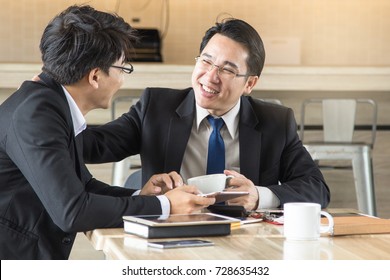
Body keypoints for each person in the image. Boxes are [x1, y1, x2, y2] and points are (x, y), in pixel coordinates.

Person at [0, 5, 215, 260]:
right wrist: (166, 206)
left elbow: (83, 187)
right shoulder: (37, 115)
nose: (122, 80)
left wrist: (141, 196)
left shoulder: (48, 104)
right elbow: (73, 211)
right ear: (94, 77)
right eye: (122, 69)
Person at [83, 18, 330, 211]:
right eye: (206, 61)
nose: (211, 76)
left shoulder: (275, 122)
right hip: (171, 236)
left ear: (250, 84)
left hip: (244, 244)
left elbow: (317, 188)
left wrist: (258, 195)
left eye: (227, 70)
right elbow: (94, 145)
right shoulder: (157, 108)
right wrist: (53, 103)